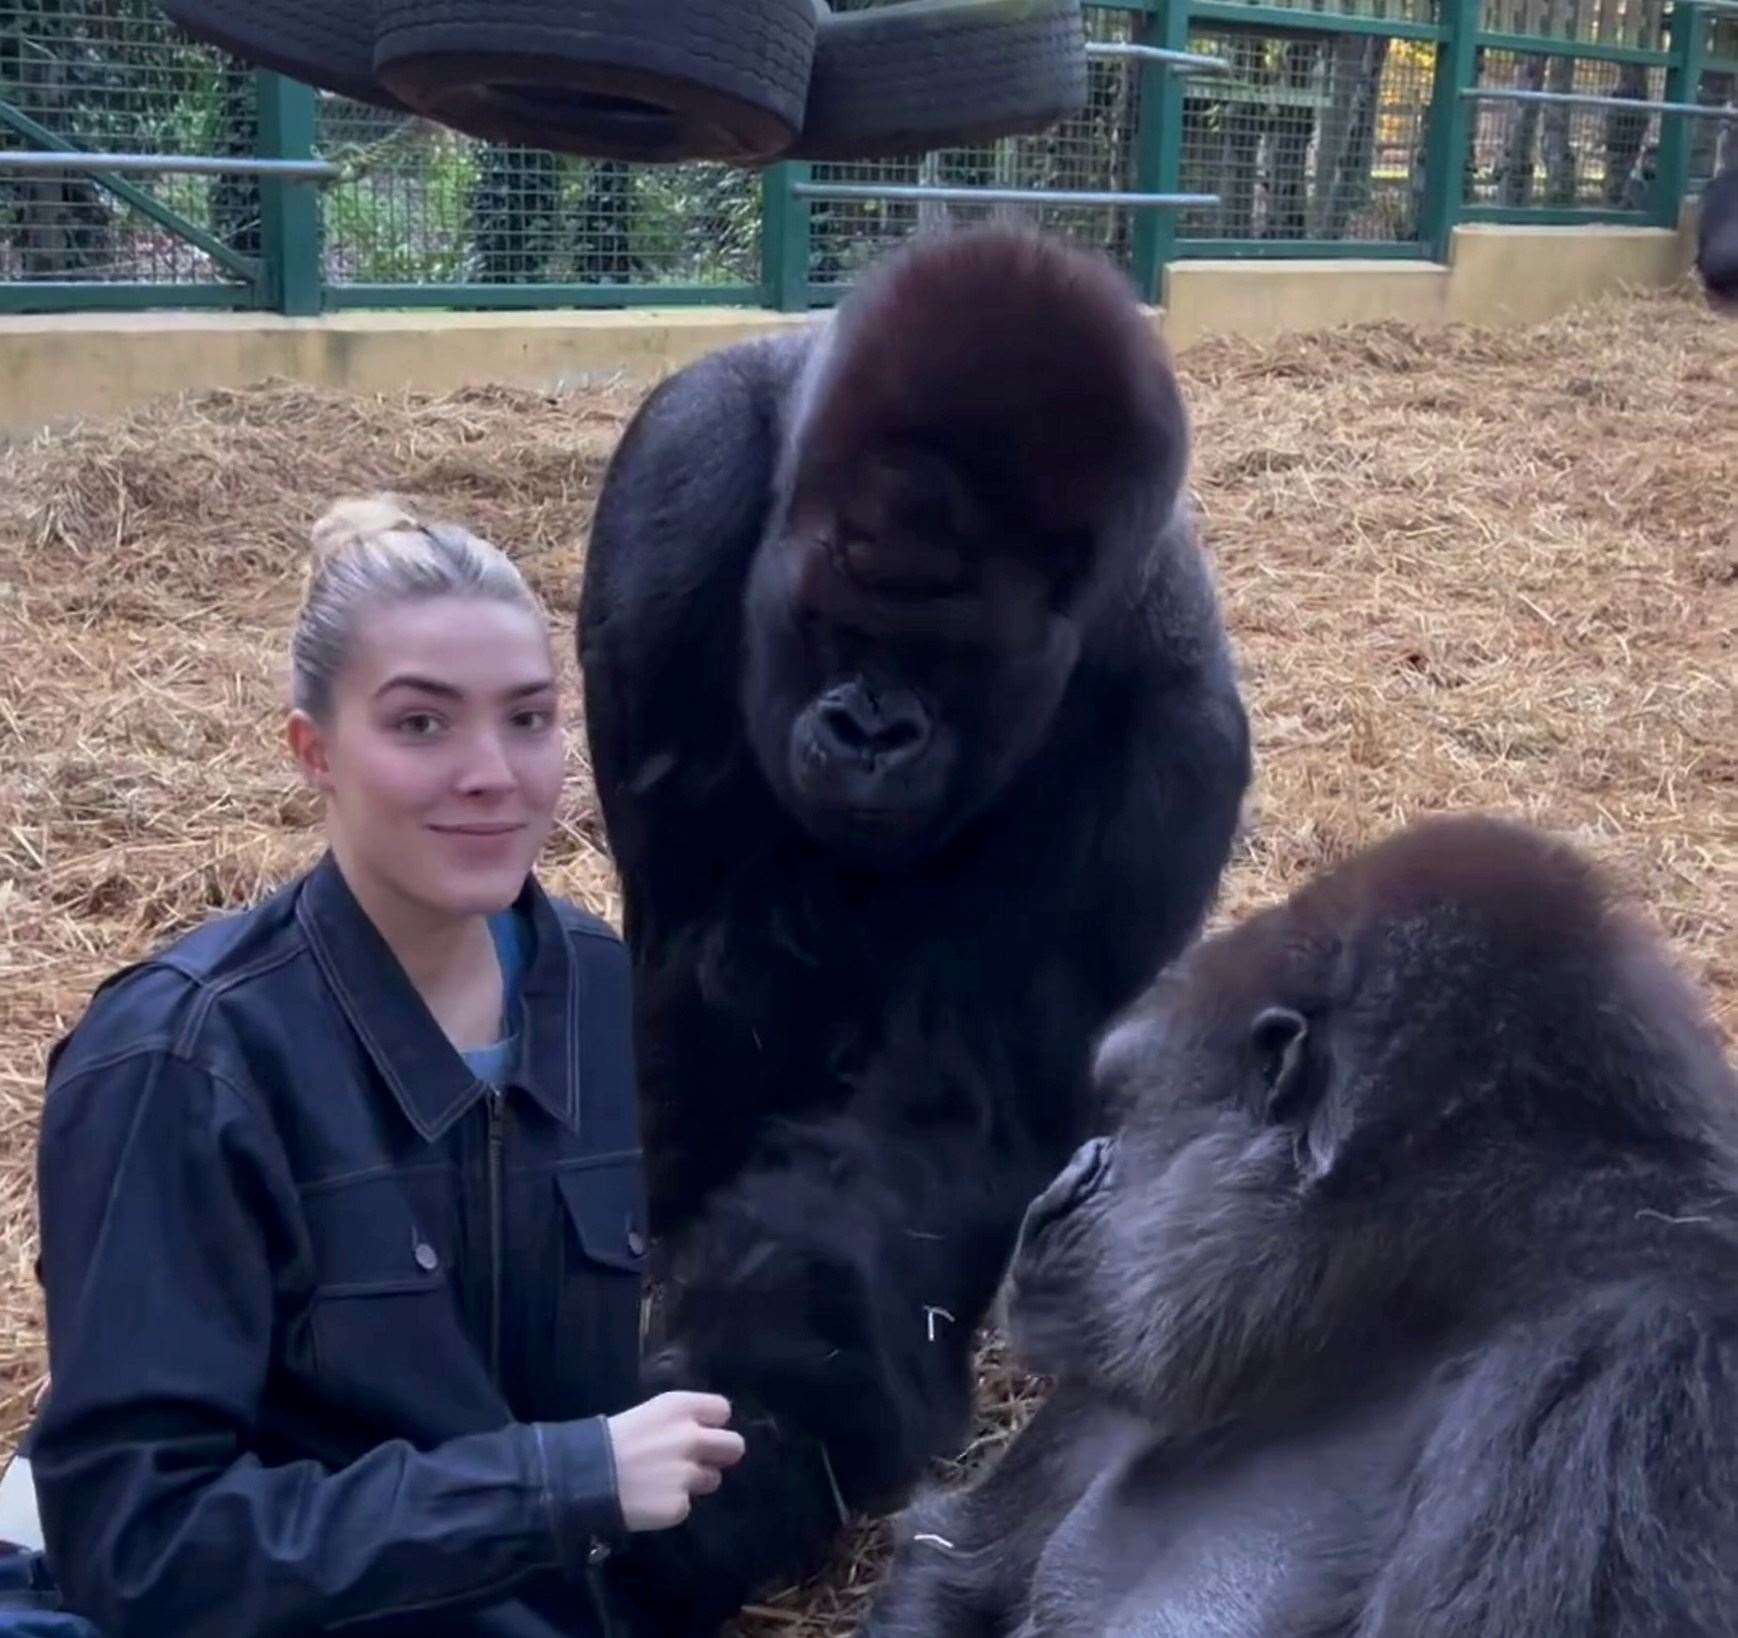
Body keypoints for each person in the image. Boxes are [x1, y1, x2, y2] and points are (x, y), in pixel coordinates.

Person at [25, 498, 745, 1638]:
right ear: (312, 750)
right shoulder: (182, 1062)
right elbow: (139, 1544)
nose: (491, 775)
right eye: (420, 725)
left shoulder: (601, 986)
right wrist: (558, 1484)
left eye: (529, 718)